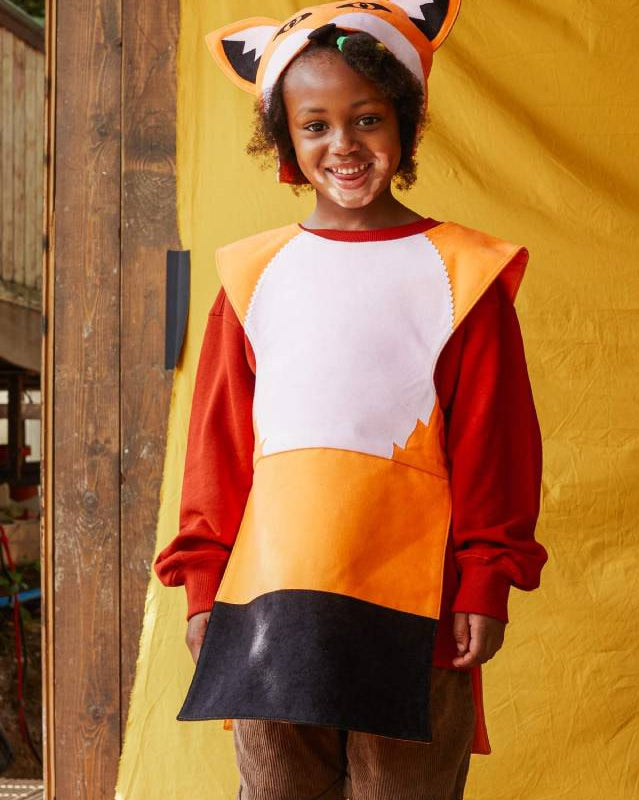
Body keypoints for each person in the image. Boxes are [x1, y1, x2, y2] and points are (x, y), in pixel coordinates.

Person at [153, 2, 548, 798]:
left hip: (417, 614)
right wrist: (204, 589)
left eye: (367, 119)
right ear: (287, 143)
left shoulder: (460, 277)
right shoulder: (254, 280)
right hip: (271, 607)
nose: (344, 145)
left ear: (402, 123)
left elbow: (494, 446)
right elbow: (218, 452)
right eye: (317, 125)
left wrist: (484, 581)